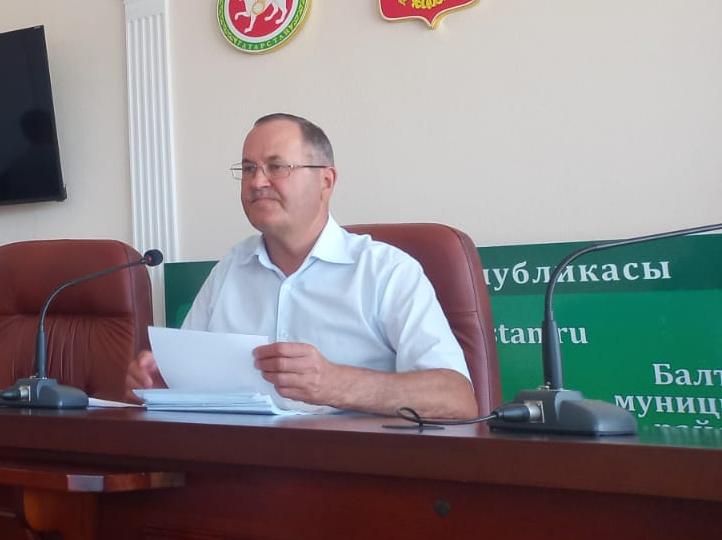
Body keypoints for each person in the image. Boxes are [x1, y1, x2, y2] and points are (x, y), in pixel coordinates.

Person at [126, 113, 478, 419]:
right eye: (248, 168)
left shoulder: (386, 272)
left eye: (277, 167)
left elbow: (456, 399)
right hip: (236, 463)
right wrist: (164, 385)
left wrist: (338, 384)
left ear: (326, 181)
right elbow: (191, 383)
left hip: (345, 467)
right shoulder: (230, 270)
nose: (257, 181)